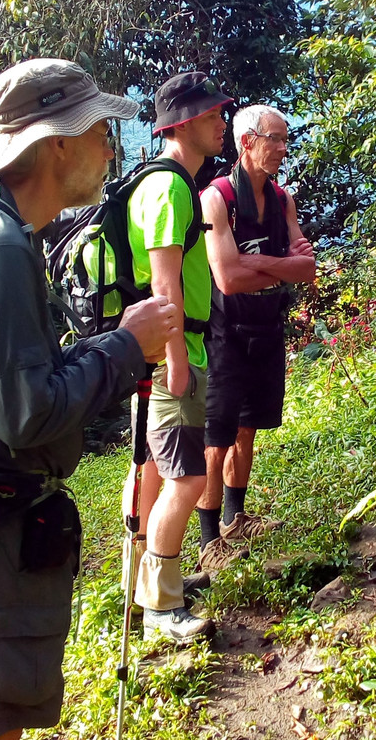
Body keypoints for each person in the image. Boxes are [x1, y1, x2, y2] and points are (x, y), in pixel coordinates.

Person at [0, 58, 178, 740]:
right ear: (57, 141)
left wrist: (107, 348)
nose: (107, 149)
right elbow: (25, 414)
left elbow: (5, 381)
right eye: (98, 131)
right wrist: (124, 347)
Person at [121, 71, 233, 643]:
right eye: (214, 115)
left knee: (150, 471)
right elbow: (164, 288)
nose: (223, 124)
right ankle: (162, 611)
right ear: (185, 123)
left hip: (160, 352)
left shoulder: (164, 183)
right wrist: (178, 362)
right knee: (186, 478)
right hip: (173, 354)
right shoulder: (167, 188)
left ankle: (141, 589)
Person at [194, 105, 315, 569]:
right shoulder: (217, 198)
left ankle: (235, 516)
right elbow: (225, 277)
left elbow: (307, 270)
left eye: (286, 140)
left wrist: (260, 267)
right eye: (275, 139)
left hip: (266, 325)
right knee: (218, 432)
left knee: (248, 427)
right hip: (224, 331)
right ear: (248, 141)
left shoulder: (282, 200)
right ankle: (208, 540)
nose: (283, 149)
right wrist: (278, 268)